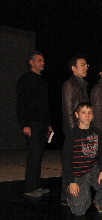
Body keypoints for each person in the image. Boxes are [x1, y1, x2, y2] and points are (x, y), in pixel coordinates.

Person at [61, 103, 102, 216]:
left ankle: (99, 202)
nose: (87, 115)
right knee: (79, 211)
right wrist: (71, 182)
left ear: (93, 116)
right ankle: (68, 192)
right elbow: (66, 159)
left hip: (92, 169)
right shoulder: (72, 134)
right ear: (77, 115)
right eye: (83, 112)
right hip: (77, 173)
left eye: (90, 113)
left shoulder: (97, 132)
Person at [16, 51, 53, 197]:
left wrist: (49, 124)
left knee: (39, 155)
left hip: (43, 125)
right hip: (32, 124)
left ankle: (36, 185)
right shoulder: (25, 80)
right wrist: (25, 124)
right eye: (39, 60)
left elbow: (45, 105)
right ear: (31, 62)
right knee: (34, 155)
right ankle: (29, 188)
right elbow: (21, 104)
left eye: (43, 60)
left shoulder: (42, 81)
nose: (42, 63)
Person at [62, 55, 89, 136]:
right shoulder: (70, 85)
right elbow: (68, 110)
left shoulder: (82, 84)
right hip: (76, 129)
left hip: (83, 126)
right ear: (74, 68)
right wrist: (74, 131)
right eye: (82, 65)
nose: (86, 68)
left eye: (86, 65)